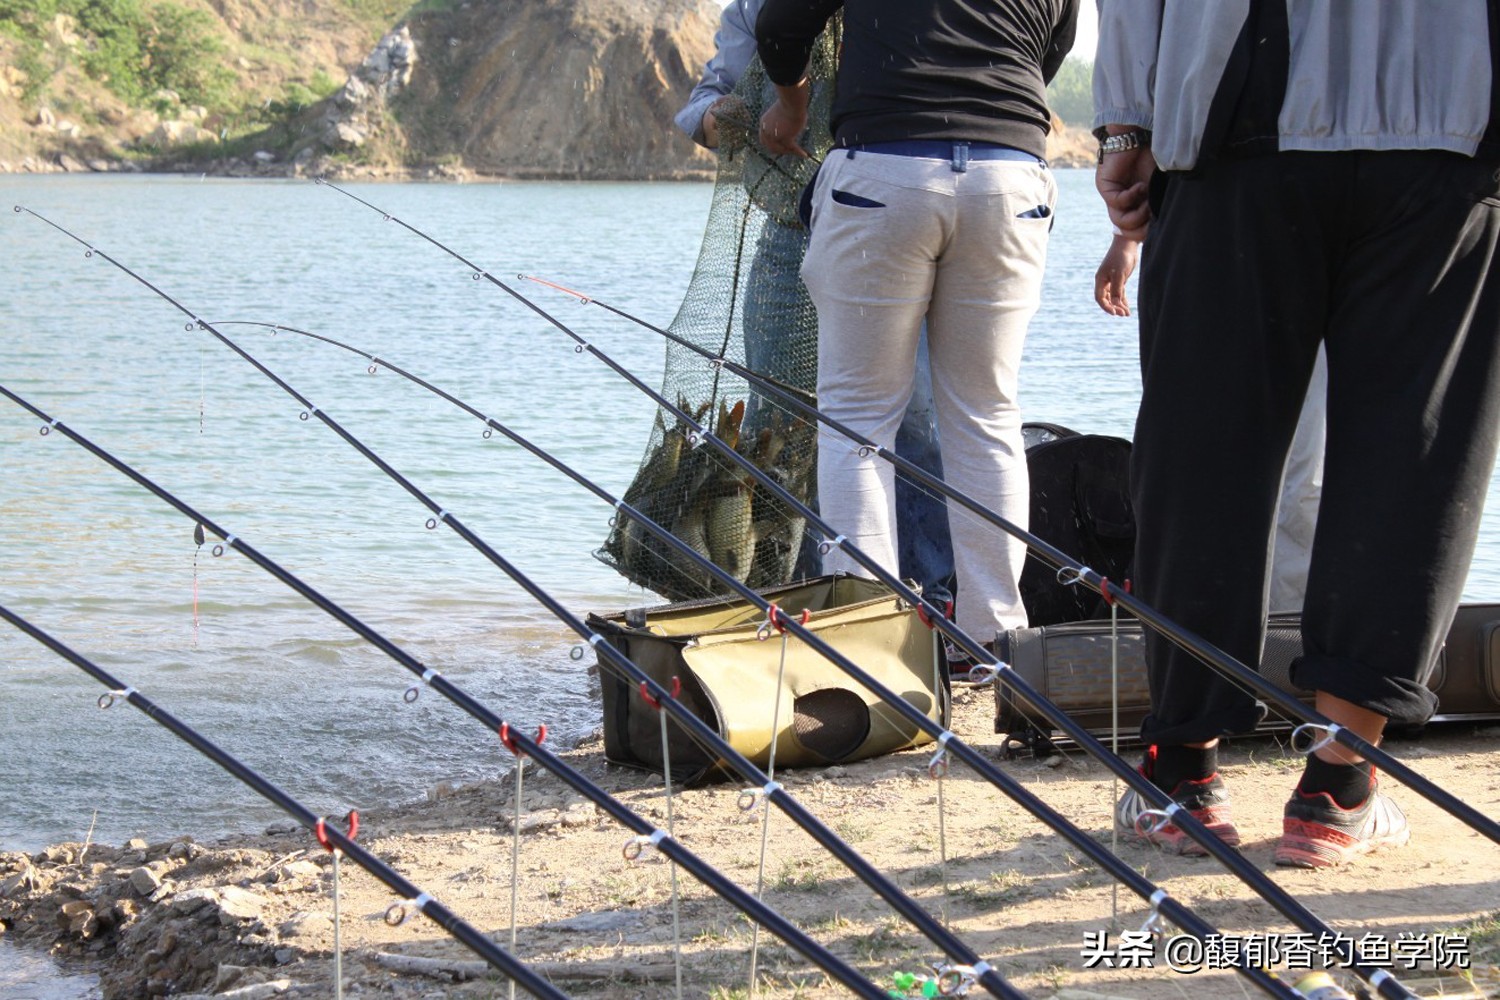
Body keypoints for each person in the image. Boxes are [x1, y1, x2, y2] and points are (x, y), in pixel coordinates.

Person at [1094, 1, 1500, 867]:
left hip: (1236, 126)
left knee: (1203, 451)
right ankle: (1338, 784)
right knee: (1411, 457)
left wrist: (1126, 122)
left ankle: (1182, 774)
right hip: (1451, 124)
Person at [756, 0, 1078, 648]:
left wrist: (791, 106)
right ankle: (996, 645)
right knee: (987, 417)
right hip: (1010, 178)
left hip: (883, 170)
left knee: (858, 420)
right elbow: (1051, 49)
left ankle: (869, 646)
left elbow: (780, 26)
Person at [674, 0, 956, 598]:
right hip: (789, 240)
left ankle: (930, 598)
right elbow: (701, 107)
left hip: (891, 231)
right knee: (781, 425)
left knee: (914, 422)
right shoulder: (754, 9)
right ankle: (798, 596)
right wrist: (726, 117)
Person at [1094, 233, 1327, 614]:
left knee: (1304, 467)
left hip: (1312, 252)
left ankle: (1287, 624)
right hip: (1204, 245)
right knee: (1195, 462)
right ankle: (1201, 618)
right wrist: (1126, 240)